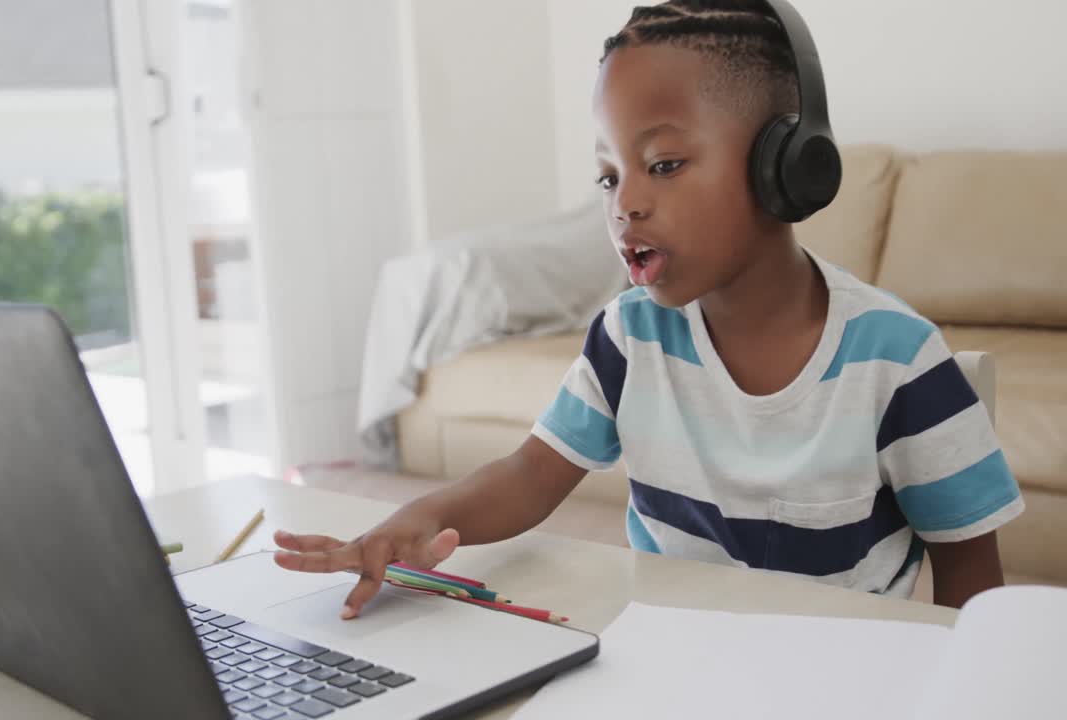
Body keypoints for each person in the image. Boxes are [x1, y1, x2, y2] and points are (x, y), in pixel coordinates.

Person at [274, 0, 1023, 618]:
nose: (626, 202)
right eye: (608, 176)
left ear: (785, 167)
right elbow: (533, 477)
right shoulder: (631, 337)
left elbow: (970, 580)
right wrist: (420, 518)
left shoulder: (896, 357)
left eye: (662, 165)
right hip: (670, 665)